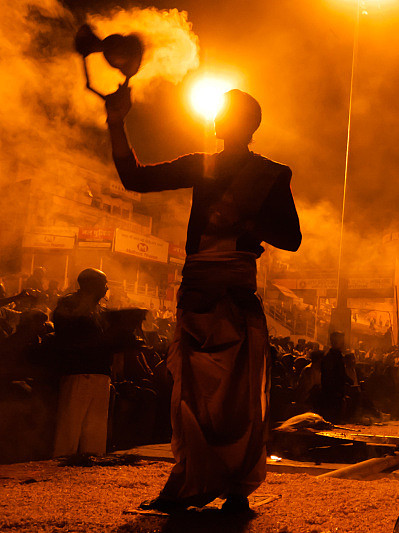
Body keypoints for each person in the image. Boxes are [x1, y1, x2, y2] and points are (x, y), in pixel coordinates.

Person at [105, 85, 301, 513]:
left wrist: (247, 223)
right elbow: (135, 179)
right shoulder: (202, 164)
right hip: (198, 288)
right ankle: (190, 480)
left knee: (238, 396)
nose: (216, 117)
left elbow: (292, 238)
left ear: (245, 124)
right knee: (192, 394)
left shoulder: (271, 174)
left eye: (226, 112)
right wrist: (116, 123)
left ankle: (235, 488)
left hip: (235, 290)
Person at [51, 269, 113, 457]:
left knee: (95, 433)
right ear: (91, 285)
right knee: (70, 429)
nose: (106, 288)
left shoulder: (100, 310)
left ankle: (90, 465)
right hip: (78, 373)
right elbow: (67, 336)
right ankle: (60, 467)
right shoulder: (69, 305)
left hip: (100, 373)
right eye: (103, 284)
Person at [320, 331, 351, 423]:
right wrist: (336, 390)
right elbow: (330, 376)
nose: (343, 343)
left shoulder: (337, 355)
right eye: (341, 340)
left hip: (336, 392)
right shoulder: (331, 357)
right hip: (332, 394)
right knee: (332, 420)